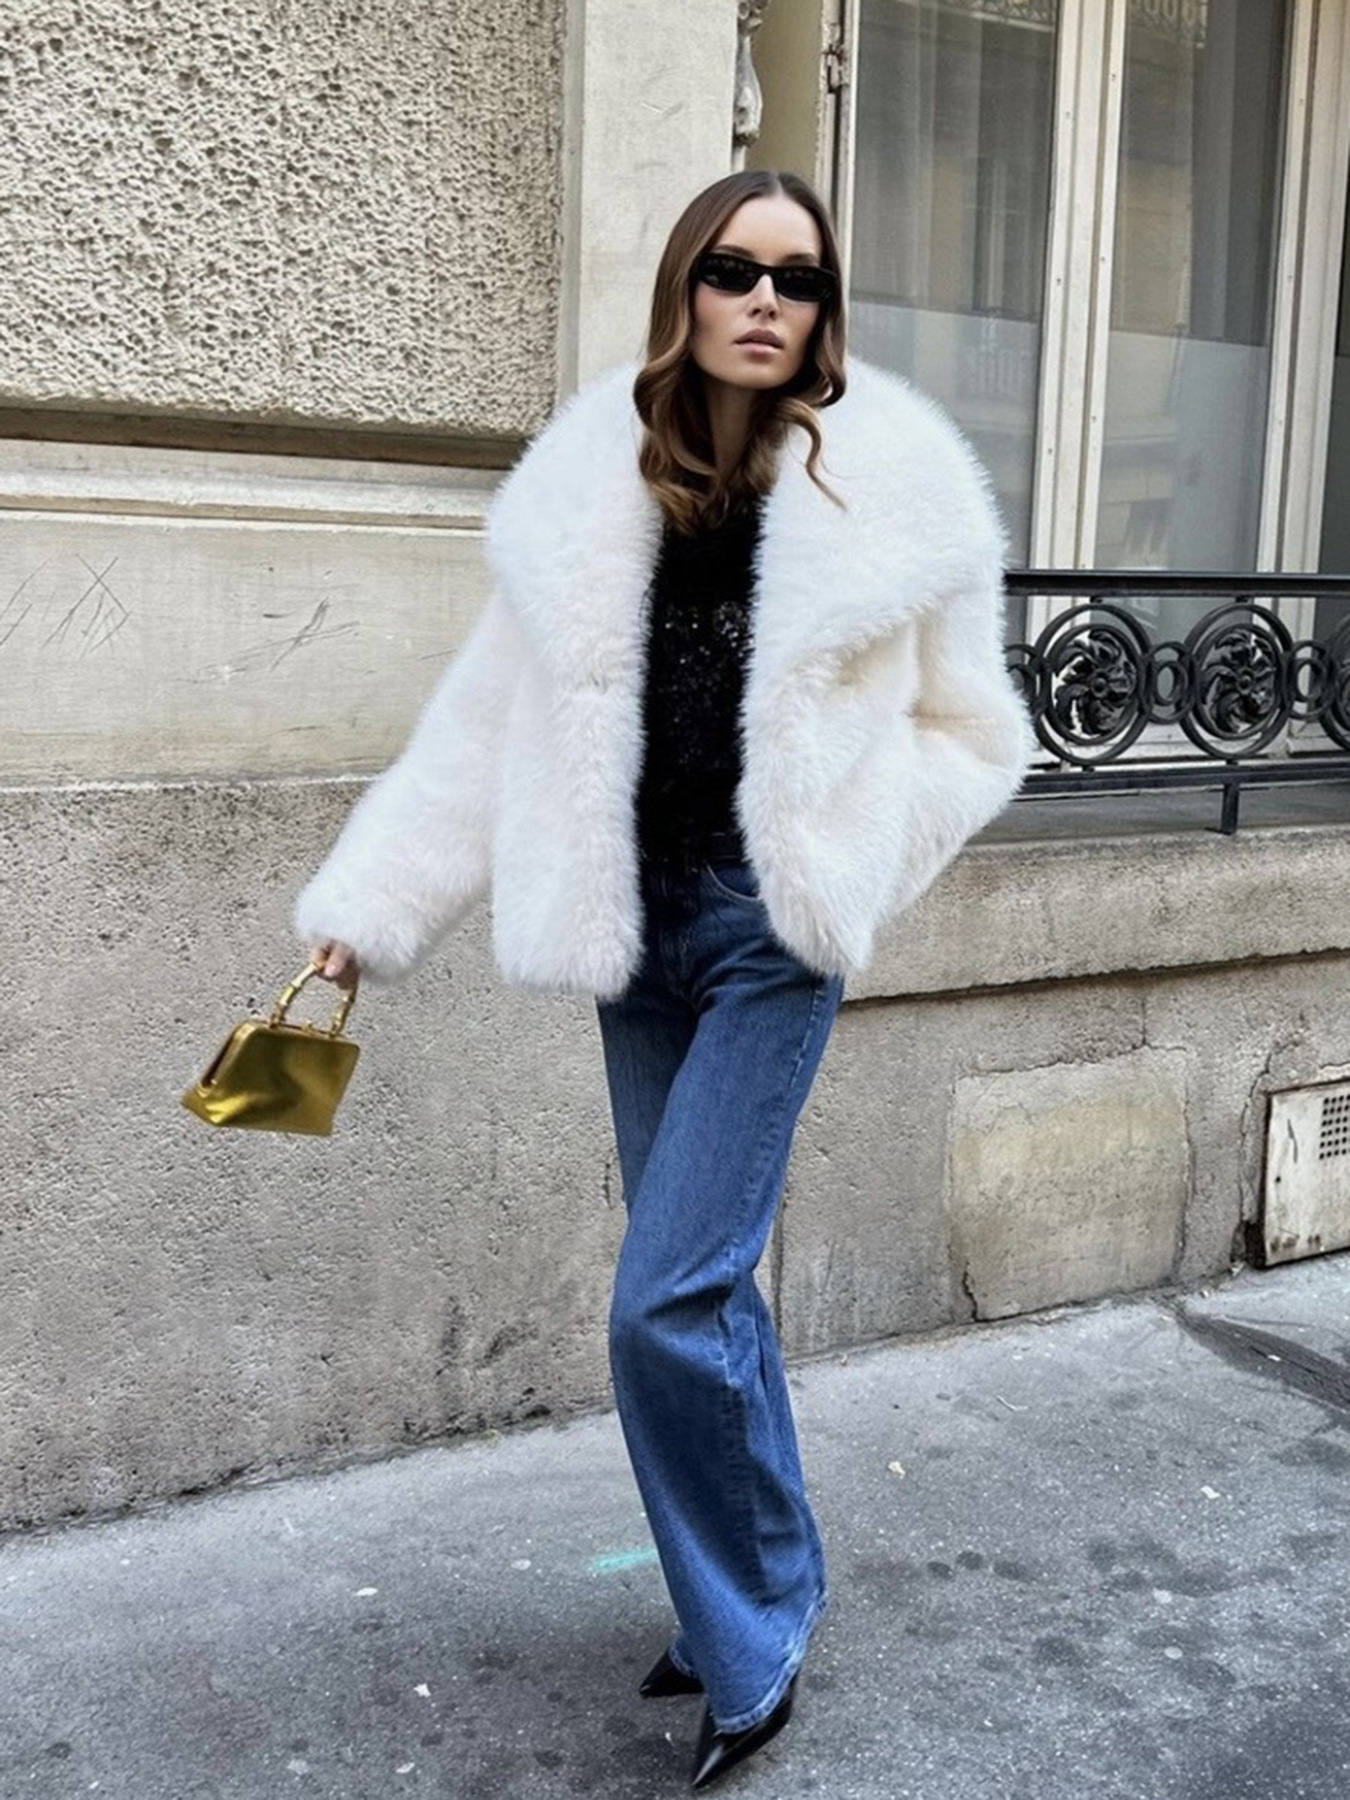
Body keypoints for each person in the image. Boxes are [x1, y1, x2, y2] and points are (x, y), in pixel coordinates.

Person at [296, 168, 1034, 1789]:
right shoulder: (590, 481)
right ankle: (744, 1591)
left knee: (666, 1298)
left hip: (770, 940)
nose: (765, 301)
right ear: (684, 290)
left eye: (797, 279)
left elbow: (976, 733)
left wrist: (845, 863)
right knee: (706, 1295)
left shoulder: (897, 483)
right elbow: (484, 726)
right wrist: (371, 907)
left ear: (823, 309)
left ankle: (749, 1635)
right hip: (638, 940)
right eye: (733, 270)